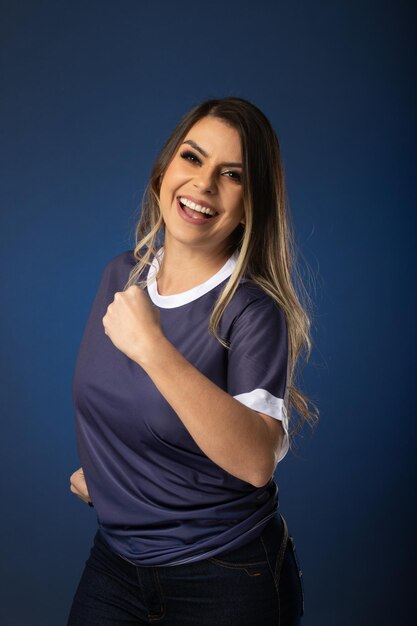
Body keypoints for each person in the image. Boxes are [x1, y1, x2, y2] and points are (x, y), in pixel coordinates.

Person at [67, 96, 318, 625]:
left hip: (226, 574)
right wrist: (117, 479)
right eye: (192, 158)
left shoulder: (251, 311)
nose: (203, 185)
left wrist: (155, 349)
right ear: (164, 171)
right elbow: (121, 407)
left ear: (253, 203)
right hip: (118, 561)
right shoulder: (121, 275)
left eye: (232, 174)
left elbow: (254, 461)